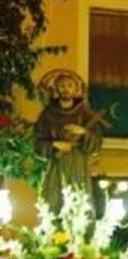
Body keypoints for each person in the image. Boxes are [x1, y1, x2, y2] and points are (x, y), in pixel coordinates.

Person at [35, 71, 103, 212]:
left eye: (69, 86)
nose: (66, 89)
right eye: (62, 86)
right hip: (57, 162)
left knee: (79, 198)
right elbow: (38, 142)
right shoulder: (47, 114)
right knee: (54, 198)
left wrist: (83, 132)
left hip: (78, 162)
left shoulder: (84, 113)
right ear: (56, 90)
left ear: (76, 89)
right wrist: (54, 144)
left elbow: (97, 142)